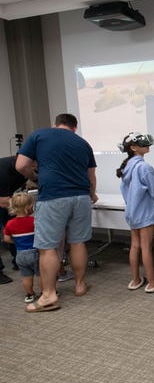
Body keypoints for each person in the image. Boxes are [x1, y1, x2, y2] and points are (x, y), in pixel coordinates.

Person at [15, 113, 98, 312]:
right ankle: (79, 285)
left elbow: (20, 165)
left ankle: (49, 294)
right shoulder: (83, 143)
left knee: (47, 247)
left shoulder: (40, 135)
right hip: (80, 197)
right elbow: (91, 176)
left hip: (53, 196)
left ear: (56, 124)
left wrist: (35, 176)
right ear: (74, 128)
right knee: (77, 242)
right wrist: (92, 195)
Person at [117, 132, 154, 293]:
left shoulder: (126, 167)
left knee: (135, 246)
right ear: (133, 148)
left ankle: (135, 280)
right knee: (146, 247)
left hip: (132, 213)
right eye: (142, 144)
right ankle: (152, 282)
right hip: (146, 213)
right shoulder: (144, 167)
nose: (146, 145)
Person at [3, 192, 41, 302]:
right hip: (35, 252)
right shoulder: (34, 221)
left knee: (26, 276)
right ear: (29, 207)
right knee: (41, 275)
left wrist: (17, 242)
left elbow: (6, 239)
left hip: (20, 254)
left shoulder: (10, 223)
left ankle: (29, 295)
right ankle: (44, 292)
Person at [0, 155, 29, 284]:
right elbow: (3, 202)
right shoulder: (5, 170)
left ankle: (18, 260)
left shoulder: (26, 168)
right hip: (3, 199)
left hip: (7, 197)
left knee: (14, 227)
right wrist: (25, 205)